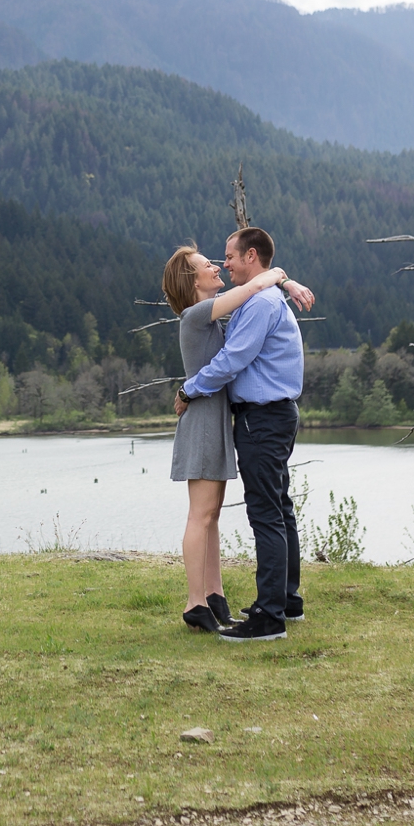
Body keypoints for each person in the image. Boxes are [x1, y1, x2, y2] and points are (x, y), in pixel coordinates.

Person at [160, 244, 314, 634]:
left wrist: (283, 279)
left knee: (211, 516)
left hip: (219, 422)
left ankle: (215, 596)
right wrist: (280, 277)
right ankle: (197, 601)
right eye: (205, 265)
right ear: (190, 280)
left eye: (219, 260)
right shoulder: (196, 315)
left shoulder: (216, 322)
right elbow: (253, 288)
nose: (216, 266)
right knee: (202, 514)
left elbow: (255, 295)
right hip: (203, 423)